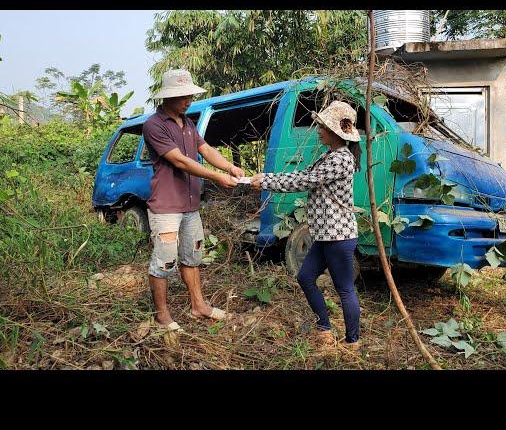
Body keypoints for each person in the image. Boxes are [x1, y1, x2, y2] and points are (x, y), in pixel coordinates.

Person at [251, 100, 363, 350]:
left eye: (323, 127)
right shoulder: (330, 155)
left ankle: (353, 341)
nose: (319, 131)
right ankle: (324, 326)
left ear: (335, 131)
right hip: (325, 235)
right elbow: (303, 176)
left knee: (344, 289)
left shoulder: (340, 159)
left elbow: (304, 180)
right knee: (305, 277)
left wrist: (267, 180)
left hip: (339, 236)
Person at [143, 69, 245, 332]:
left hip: (190, 204)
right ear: (167, 97)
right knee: (165, 260)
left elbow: (206, 149)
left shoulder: (187, 124)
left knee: (193, 255)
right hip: (166, 205)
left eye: (190, 95)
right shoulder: (154, 125)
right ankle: (162, 315)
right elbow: (179, 161)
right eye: (182, 96)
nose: (188, 100)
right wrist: (216, 177)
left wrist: (230, 168)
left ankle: (198, 305)